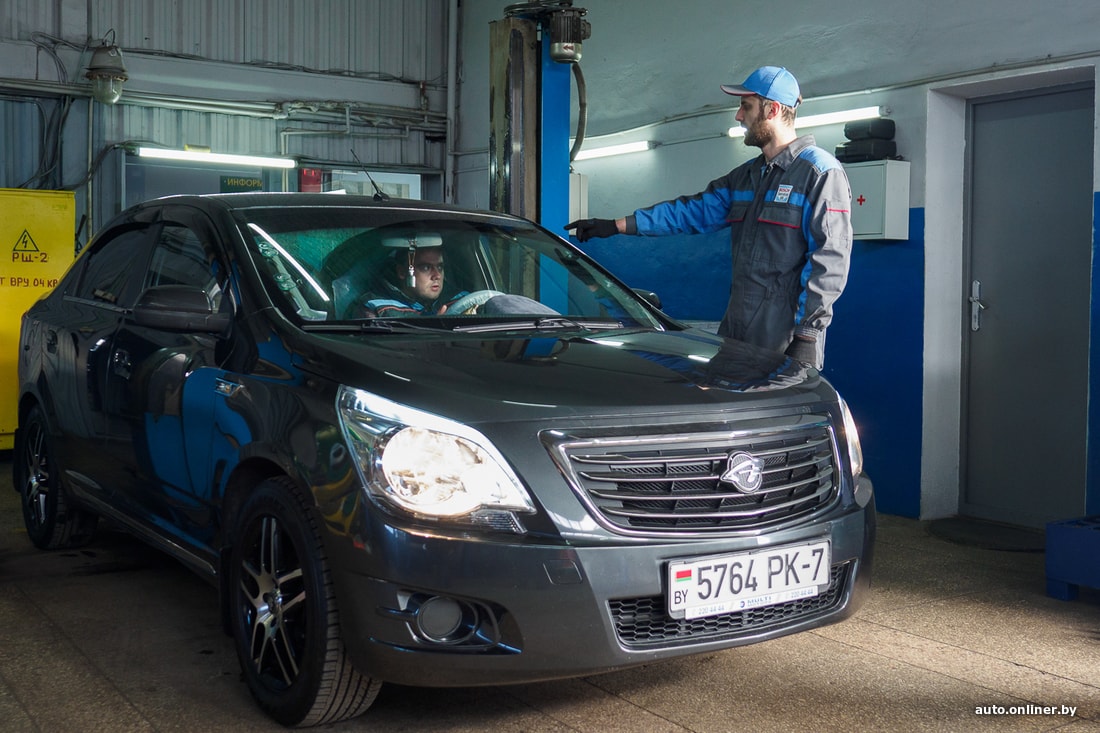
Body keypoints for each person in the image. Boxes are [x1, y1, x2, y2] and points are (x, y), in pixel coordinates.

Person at [566, 66, 852, 369]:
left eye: (746, 106)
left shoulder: (819, 173)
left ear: (773, 109)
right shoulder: (747, 177)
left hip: (784, 336)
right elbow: (691, 212)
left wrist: (807, 335)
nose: (738, 116)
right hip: (738, 329)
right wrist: (616, 226)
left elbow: (830, 260)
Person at [357, 243, 468, 317]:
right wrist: (436, 328)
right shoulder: (376, 307)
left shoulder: (461, 300)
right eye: (426, 268)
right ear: (402, 272)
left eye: (440, 267)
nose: (437, 275)